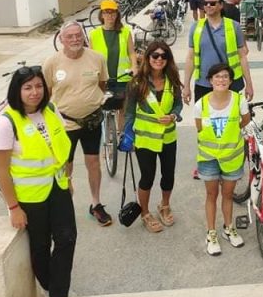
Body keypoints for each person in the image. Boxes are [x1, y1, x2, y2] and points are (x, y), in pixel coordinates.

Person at [0, 66, 77, 297]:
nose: (35, 92)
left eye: (39, 86)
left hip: (58, 187)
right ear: (17, 90)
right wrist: (13, 207)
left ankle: (58, 295)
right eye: (28, 87)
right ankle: (50, 287)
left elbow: (61, 150)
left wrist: (68, 180)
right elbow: (1, 170)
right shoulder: (6, 122)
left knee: (67, 238)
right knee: (40, 247)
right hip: (30, 197)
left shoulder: (51, 110)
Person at [44, 22, 112, 227]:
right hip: (64, 124)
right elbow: (46, 93)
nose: (75, 39)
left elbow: (102, 84)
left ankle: (96, 203)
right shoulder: (51, 63)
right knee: (66, 166)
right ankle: (65, 205)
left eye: (78, 35)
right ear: (61, 39)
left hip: (91, 120)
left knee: (93, 163)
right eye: (70, 36)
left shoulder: (97, 58)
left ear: (84, 36)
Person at [124, 41, 183, 233]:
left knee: (168, 175)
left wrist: (173, 115)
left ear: (168, 59)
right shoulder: (136, 83)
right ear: (148, 58)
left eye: (163, 56)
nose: (159, 59)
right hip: (145, 139)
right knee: (147, 177)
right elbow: (130, 112)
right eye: (155, 55)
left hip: (168, 137)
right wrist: (127, 136)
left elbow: (178, 104)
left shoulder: (172, 80)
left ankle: (164, 206)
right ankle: (145, 213)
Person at [195, 63, 250, 256]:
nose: (221, 80)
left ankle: (228, 228)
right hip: (209, 158)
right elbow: (199, 128)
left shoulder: (238, 100)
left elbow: (245, 120)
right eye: (217, 77)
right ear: (210, 81)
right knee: (211, 195)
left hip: (232, 157)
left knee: (228, 195)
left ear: (231, 81)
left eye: (225, 76)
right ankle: (211, 233)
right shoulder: (200, 104)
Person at [183, 0, 254, 105]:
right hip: (204, 83)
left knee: (231, 119)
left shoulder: (234, 26)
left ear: (221, 5)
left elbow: (242, 57)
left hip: (229, 82)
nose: (208, 6)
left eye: (212, 3)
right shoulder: (196, 27)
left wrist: (249, 85)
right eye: (205, 3)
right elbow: (190, 58)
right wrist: (186, 86)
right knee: (204, 119)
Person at [89, 0, 135, 132]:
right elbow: (90, 57)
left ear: (117, 14)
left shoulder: (125, 31)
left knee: (124, 109)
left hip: (122, 77)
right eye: (106, 12)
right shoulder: (94, 34)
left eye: (112, 13)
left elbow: (131, 52)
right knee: (104, 109)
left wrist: (134, 67)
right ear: (101, 15)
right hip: (103, 79)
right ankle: (107, 142)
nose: (110, 16)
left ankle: (121, 135)